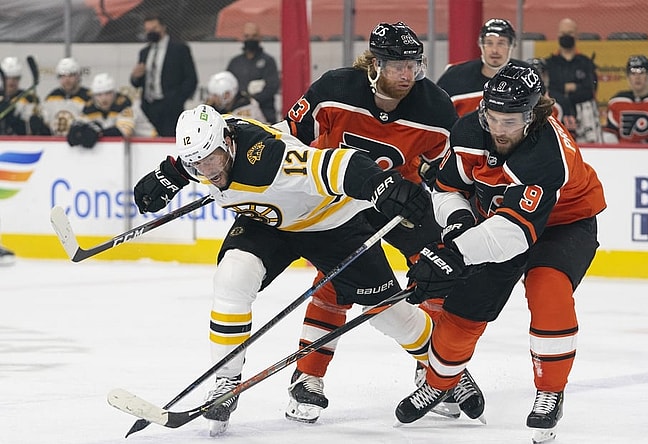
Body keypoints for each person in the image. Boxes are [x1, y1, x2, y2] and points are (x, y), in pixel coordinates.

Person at [132, 104, 434, 436]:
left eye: (213, 160)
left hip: (329, 224)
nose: (209, 171)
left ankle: (444, 367)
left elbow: (334, 164)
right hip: (269, 224)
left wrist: (380, 184)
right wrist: (168, 176)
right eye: (198, 164)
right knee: (232, 278)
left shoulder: (271, 162)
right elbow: (192, 162)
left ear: (228, 143)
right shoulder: (208, 152)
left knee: (388, 315)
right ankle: (226, 382)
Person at [274, 21, 485, 423]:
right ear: (374, 64)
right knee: (335, 280)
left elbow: (444, 172)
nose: (407, 75)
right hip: (338, 202)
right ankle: (307, 377)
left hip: (398, 203)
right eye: (397, 66)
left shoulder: (436, 108)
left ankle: (435, 374)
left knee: (438, 270)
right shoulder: (333, 90)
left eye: (413, 65)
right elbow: (289, 140)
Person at [394, 64, 606, 444]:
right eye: (493, 118)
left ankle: (549, 392)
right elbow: (446, 189)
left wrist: (455, 254)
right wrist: (458, 225)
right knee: (464, 307)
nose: (499, 129)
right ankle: (440, 382)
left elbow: (514, 235)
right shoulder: (470, 131)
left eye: (510, 121)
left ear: (532, 115)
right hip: (495, 224)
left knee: (548, 288)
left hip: (563, 225)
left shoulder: (547, 150)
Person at [437, 18, 527, 117]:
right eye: (489, 43)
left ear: (512, 45)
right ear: (480, 45)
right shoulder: (454, 77)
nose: (494, 50)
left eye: (501, 43)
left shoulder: (527, 76)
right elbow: (437, 115)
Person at [130, 14, 197, 137]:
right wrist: (136, 76)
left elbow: (191, 79)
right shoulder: (144, 52)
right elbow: (136, 83)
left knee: (170, 142)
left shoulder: (179, 49)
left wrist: (177, 100)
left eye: (154, 28)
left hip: (170, 107)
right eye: (148, 30)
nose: (151, 32)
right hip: (148, 108)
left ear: (163, 27)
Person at [545, 18, 601, 143]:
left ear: (576, 35)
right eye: (563, 33)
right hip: (557, 110)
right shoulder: (550, 63)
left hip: (584, 113)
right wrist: (574, 87)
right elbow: (550, 89)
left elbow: (590, 90)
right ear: (558, 35)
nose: (566, 36)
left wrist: (565, 88)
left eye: (569, 33)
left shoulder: (586, 62)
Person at [602, 55, 648, 144]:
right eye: (633, 73)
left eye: (641, 72)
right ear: (628, 77)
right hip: (623, 154)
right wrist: (618, 151)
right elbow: (609, 132)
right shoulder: (617, 101)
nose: (637, 77)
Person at [226, 22, 280, 123]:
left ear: (260, 37)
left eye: (254, 36)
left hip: (264, 114)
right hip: (238, 114)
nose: (250, 39)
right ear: (243, 38)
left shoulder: (268, 61)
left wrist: (251, 100)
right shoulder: (235, 62)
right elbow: (228, 85)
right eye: (247, 36)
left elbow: (272, 86)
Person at [67, 73, 136, 149]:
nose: (104, 98)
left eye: (108, 93)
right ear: (93, 96)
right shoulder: (89, 107)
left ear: (114, 93)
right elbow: (80, 123)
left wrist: (100, 132)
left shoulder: (124, 104)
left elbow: (125, 131)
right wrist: (77, 130)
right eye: (99, 95)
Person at [41, 57, 91, 136]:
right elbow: (46, 121)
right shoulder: (52, 97)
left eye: (71, 75)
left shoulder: (88, 97)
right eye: (63, 76)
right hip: (55, 143)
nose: (67, 80)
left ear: (78, 76)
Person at [0, 56, 47, 136]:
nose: (12, 82)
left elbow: (33, 129)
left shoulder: (29, 98)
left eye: (15, 78)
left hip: (20, 142)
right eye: (8, 78)